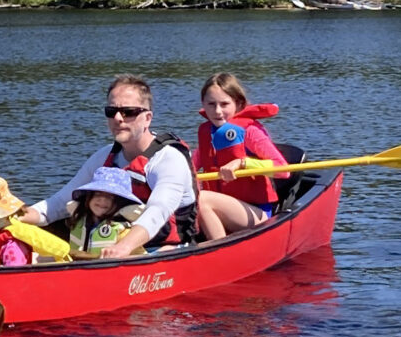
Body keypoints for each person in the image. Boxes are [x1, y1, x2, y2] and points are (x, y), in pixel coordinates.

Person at [20, 74, 195, 258]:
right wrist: (15, 217)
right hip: (107, 249)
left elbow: (158, 211)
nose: (118, 118)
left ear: (147, 118)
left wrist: (124, 247)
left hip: (164, 248)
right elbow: (61, 202)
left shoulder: (169, 160)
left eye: (128, 112)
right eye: (111, 111)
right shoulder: (104, 156)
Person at [192, 72, 289, 240]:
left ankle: (218, 250)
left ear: (237, 103)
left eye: (224, 104)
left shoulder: (250, 131)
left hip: (256, 213)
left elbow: (283, 170)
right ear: (203, 104)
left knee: (202, 199)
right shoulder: (207, 132)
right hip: (221, 210)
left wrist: (243, 163)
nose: (217, 111)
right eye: (211, 104)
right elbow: (190, 167)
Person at [52, 165, 146, 259]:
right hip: (76, 267)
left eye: (110, 197)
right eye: (97, 194)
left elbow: (140, 259)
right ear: (89, 197)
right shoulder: (76, 220)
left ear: (121, 202)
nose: (102, 200)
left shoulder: (125, 232)